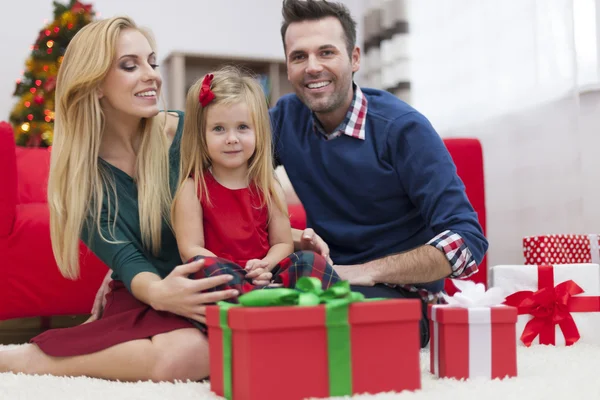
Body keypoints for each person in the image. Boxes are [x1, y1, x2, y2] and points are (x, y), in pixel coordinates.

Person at [0, 16, 239, 382]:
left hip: (211, 281)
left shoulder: (190, 132)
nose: (152, 76)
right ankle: (20, 362)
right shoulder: (80, 182)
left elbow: (249, 191)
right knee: (186, 355)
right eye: (131, 66)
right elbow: (129, 262)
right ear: (94, 84)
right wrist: (160, 293)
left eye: (151, 63)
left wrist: (289, 236)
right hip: (148, 290)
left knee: (219, 348)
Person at [269, 0, 489, 347]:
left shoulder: (404, 129)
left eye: (326, 52)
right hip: (323, 280)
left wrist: (364, 271)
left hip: (403, 296)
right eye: (299, 56)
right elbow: (224, 167)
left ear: (354, 58)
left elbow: (468, 241)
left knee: (312, 332)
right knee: (253, 306)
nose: (312, 67)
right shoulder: (285, 117)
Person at [172, 67, 339, 293]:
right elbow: (190, 249)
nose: (232, 139)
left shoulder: (267, 185)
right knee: (203, 267)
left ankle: (276, 299)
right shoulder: (193, 188)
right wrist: (236, 272)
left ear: (258, 130)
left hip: (266, 273)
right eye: (218, 129)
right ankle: (262, 302)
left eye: (242, 127)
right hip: (222, 277)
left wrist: (265, 265)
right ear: (201, 135)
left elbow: (282, 243)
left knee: (309, 262)